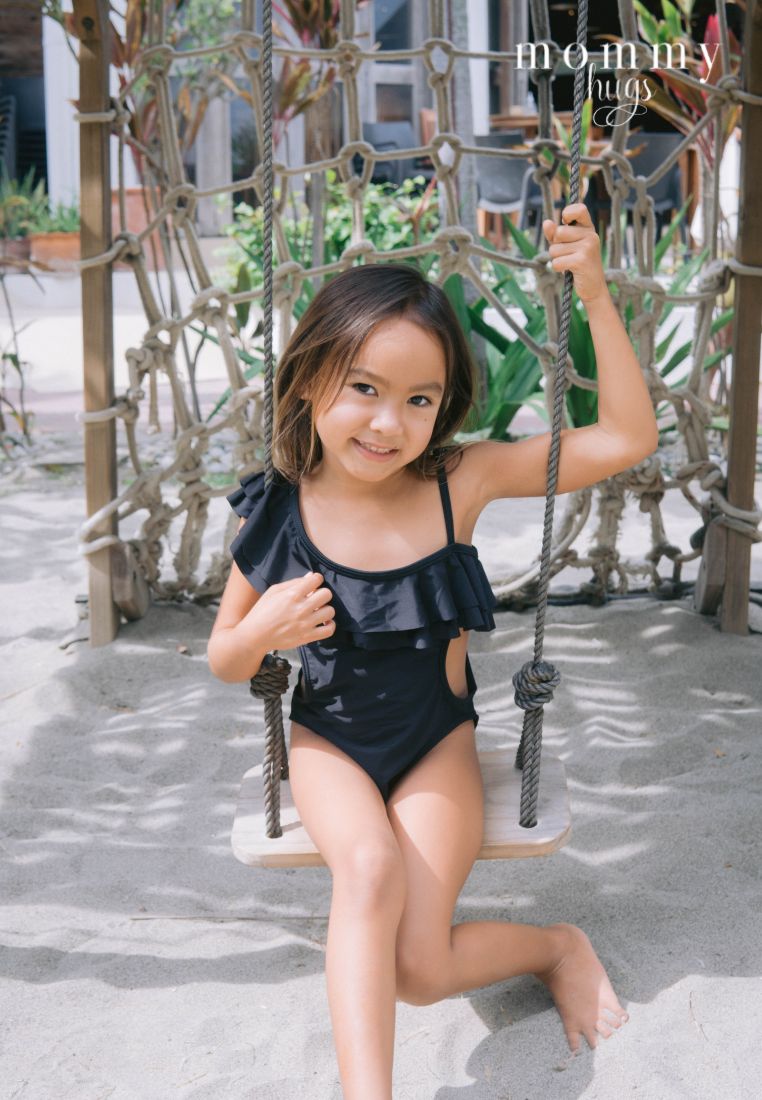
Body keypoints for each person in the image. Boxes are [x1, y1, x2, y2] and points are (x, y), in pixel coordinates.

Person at [208, 204, 658, 1099]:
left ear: (445, 408)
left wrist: (598, 297)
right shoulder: (282, 505)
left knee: (419, 970)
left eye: (419, 401)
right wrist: (263, 634)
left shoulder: (462, 479)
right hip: (330, 741)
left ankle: (556, 945)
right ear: (308, 383)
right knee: (366, 870)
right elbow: (224, 654)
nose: (388, 424)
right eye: (365, 389)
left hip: (437, 744)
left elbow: (626, 440)